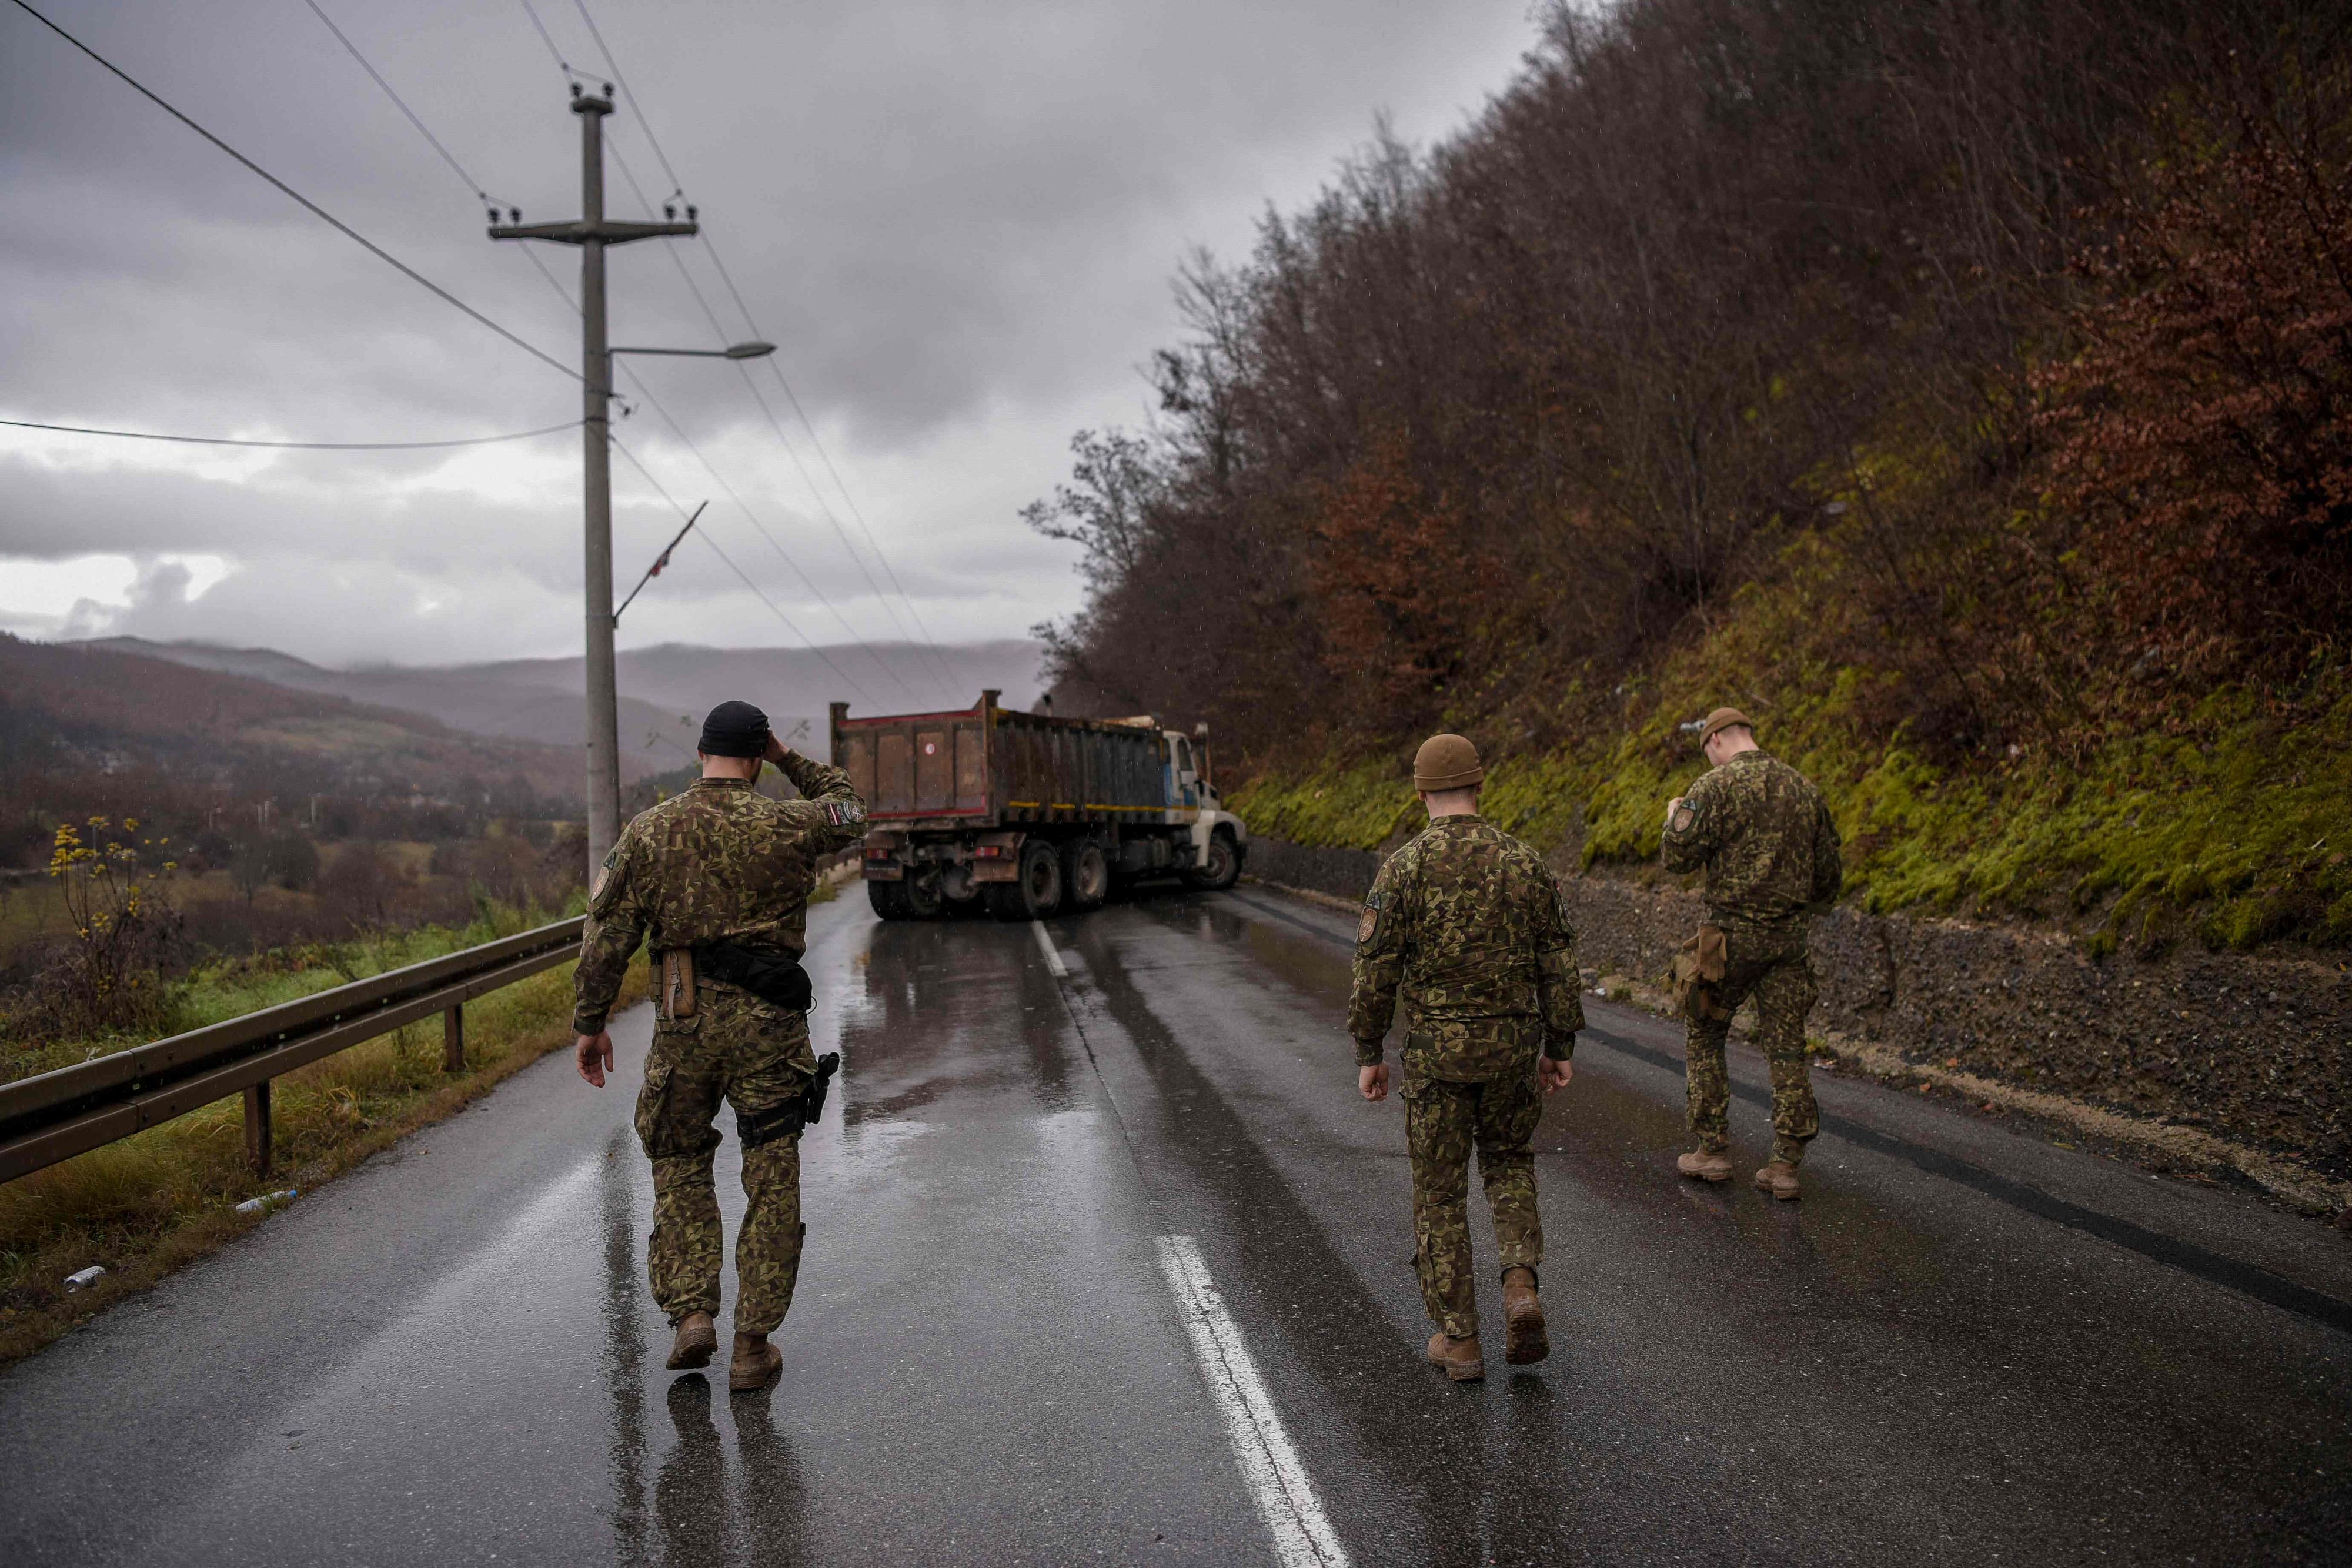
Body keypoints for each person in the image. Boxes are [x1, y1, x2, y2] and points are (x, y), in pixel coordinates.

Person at [572, 700, 867, 1391]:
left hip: (685, 1022)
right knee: (770, 1167)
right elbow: (849, 810)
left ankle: (692, 1313)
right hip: (768, 1028)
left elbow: (606, 934)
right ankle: (752, 1345)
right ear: (758, 755)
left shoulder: (651, 832)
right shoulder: (785, 822)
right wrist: (790, 758)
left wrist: (590, 1025)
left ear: (702, 750)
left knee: (677, 1157)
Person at [1348, 733, 1582, 1383]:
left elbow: (1374, 975)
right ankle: (1518, 1281)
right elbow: (1558, 963)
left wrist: (1370, 1052)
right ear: (1481, 787)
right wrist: (1558, 1046)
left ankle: (1461, 1341)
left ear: (1420, 793)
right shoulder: (1525, 863)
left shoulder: (1402, 869)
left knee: (1440, 1192)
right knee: (1508, 1164)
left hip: (1437, 1060)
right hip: (1512, 1051)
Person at [1661, 708, 1842, 1201]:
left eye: (1707, 749)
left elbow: (1677, 858)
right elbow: (1829, 875)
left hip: (1729, 939)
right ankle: (1785, 1163)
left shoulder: (1713, 787)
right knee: (1786, 1045)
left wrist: (1676, 814)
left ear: (1716, 739)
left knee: (1704, 1030)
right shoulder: (1803, 788)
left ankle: (1713, 1149)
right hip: (1787, 940)